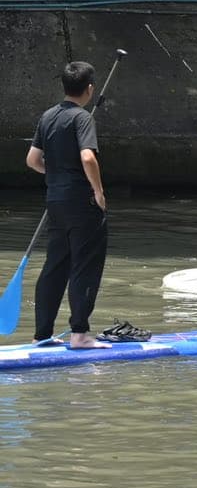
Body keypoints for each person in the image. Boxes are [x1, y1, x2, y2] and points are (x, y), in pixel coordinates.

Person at [25, 61, 109, 349]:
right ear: (89, 89)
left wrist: (58, 173)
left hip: (55, 202)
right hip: (81, 203)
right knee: (85, 265)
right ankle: (80, 335)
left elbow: (33, 161)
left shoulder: (47, 116)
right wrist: (98, 192)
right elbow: (88, 157)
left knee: (55, 266)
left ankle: (42, 335)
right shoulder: (83, 118)